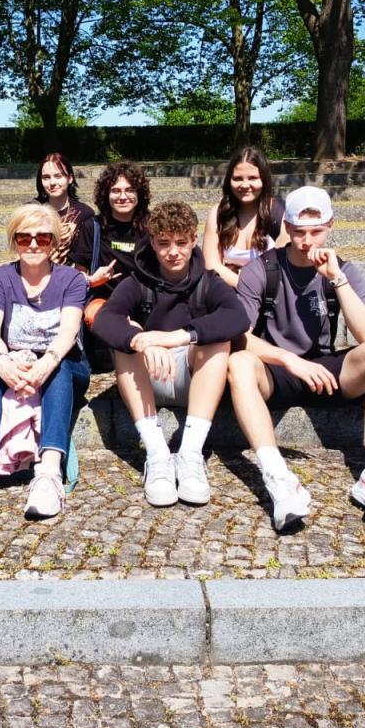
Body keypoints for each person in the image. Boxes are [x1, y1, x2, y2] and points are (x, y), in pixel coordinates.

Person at [228, 187, 365, 530]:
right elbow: (239, 337)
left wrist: (337, 279)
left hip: (327, 370)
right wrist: (289, 360)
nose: (306, 241)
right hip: (277, 369)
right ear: (286, 227)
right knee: (237, 363)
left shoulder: (344, 270)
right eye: (298, 231)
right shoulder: (259, 270)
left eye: (316, 231)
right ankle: (279, 478)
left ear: (330, 226)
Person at [91, 201, 248, 507]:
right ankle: (157, 454)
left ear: (193, 240)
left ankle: (190, 453)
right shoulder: (137, 281)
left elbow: (238, 317)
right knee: (125, 339)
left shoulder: (209, 281)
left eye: (181, 243)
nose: (172, 252)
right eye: (163, 243)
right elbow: (105, 319)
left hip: (195, 380)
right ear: (152, 242)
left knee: (217, 341)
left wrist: (175, 337)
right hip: (148, 379)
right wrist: (142, 341)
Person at [0, 204, 90, 521]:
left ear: (53, 241)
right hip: (16, 363)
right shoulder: (1, 278)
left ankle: (49, 472)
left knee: (57, 368)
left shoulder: (71, 279)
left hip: (65, 364)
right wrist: (3, 361)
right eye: (24, 237)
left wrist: (45, 364)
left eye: (42, 238)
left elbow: (68, 332)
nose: (33, 244)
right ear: (14, 241)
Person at [79, 160, 152, 371]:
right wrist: (93, 280)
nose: (123, 196)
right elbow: (77, 274)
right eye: (116, 190)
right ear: (106, 194)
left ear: (139, 194)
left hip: (144, 300)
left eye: (130, 190)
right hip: (105, 299)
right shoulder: (92, 227)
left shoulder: (151, 226)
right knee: (93, 313)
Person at [202, 146, 288, 289]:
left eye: (253, 178)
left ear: (264, 179)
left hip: (270, 294)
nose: (245, 185)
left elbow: (282, 267)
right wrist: (246, 287)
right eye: (237, 178)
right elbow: (211, 265)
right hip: (230, 294)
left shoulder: (281, 214)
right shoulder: (218, 214)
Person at [34, 152, 97, 271]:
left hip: (69, 277)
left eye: (58, 176)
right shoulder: (32, 210)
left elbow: (83, 262)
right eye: (46, 177)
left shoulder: (84, 213)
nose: (52, 183)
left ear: (70, 178)